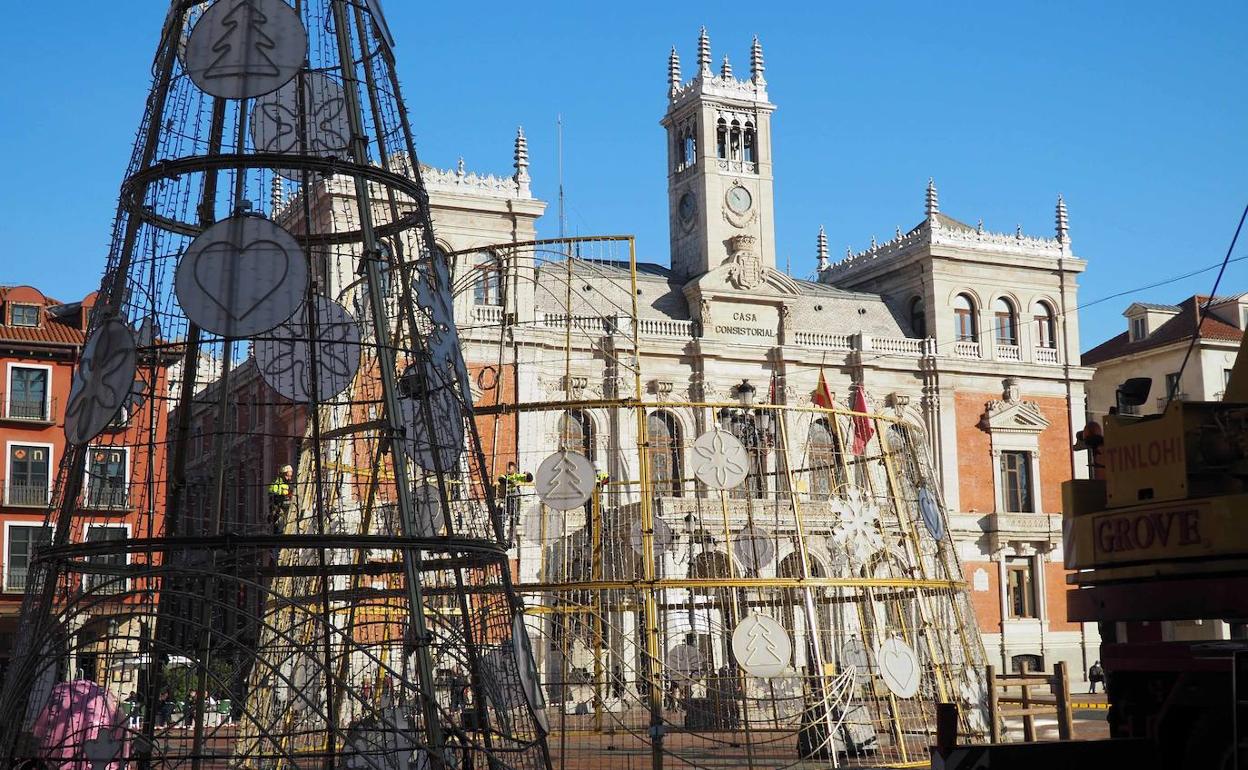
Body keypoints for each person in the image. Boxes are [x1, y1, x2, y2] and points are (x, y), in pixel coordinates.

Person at [268, 464, 294, 534]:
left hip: (288, 511)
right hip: (279, 511)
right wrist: (281, 495)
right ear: (282, 474)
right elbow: (272, 496)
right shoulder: (276, 484)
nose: (289, 478)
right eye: (287, 476)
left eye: (290, 476)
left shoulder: (290, 484)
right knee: (279, 527)